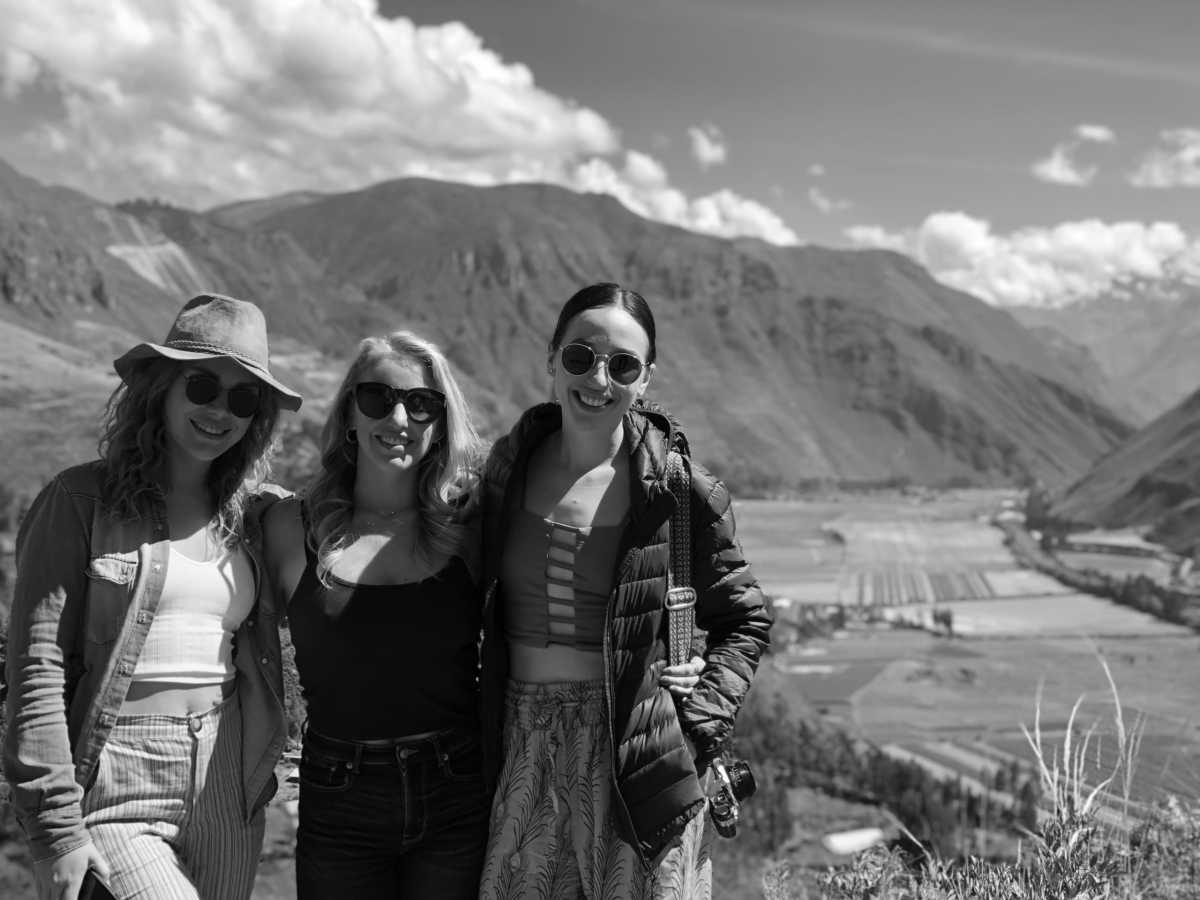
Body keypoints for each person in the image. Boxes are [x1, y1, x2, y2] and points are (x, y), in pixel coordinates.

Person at [3, 293, 303, 900]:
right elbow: (37, 666)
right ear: (161, 387)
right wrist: (55, 832)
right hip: (116, 774)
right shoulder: (80, 501)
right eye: (202, 386)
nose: (220, 410)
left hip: (228, 777)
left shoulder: (255, 516)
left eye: (243, 399)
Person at [477, 282, 772, 899]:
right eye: (580, 356)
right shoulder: (503, 473)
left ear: (646, 378)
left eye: (623, 365)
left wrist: (699, 713)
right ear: (551, 359)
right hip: (518, 749)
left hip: (640, 757)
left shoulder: (676, 489)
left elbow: (744, 619)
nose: (598, 378)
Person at [262, 331, 488, 899]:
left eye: (421, 403)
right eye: (377, 399)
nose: (399, 418)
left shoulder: (470, 528)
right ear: (349, 414)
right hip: (339, 796)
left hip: (457, 788)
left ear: (441, 423)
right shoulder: (291, 530)